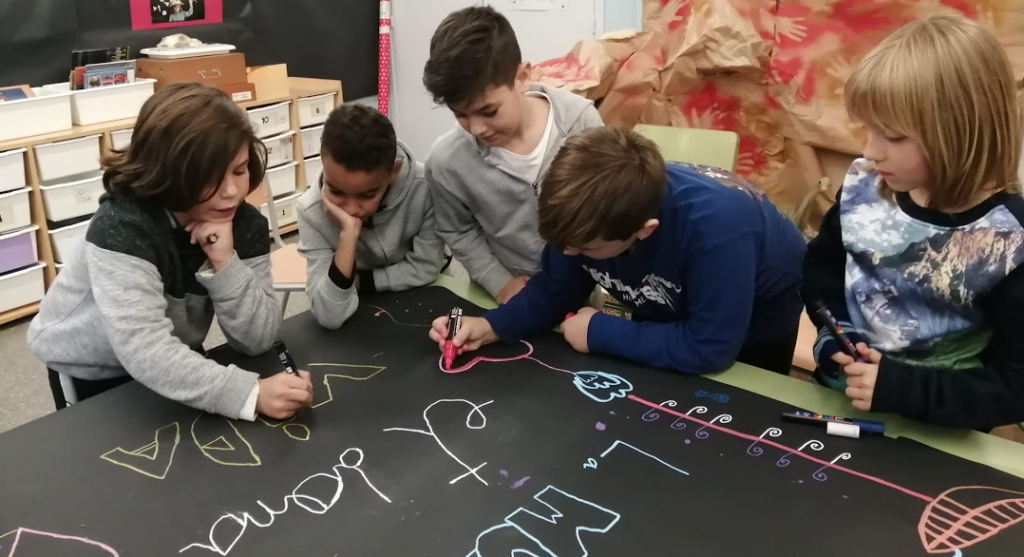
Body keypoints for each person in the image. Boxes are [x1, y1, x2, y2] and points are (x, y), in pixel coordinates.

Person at [27, 82, 313, 420]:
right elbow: (143, 347)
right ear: (170, 172)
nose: (232, 191)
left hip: (173, 352)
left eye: (239, 170)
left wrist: (225, 261)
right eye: (209, 178)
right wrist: (250, 393)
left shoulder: (242, 223)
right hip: (94, 368)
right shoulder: (123, 226)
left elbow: (258, 339)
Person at [429, 126, 806, 376]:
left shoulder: (720, 229)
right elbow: (557, 288)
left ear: (643, 230)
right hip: (668, 298)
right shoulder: (587, 219)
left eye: (585, 247)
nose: (569, 253)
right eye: (564, 244)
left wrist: (600, 331)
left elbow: (711, 347)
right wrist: (492, 326)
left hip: (757, 320)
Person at [802, 15, 1024, 431]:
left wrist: (902, 388)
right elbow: (821, 269)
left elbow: (1013, 388)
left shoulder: (1010, 240)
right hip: (836, 401)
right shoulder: (864, 187)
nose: (871, 150)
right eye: (868, 129)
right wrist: (835, 332)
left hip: (935, 432)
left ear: (960, 133)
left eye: (893, 136)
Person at [423, 5, 603, 305]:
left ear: (522, 77)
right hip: (504, 296)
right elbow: (457, 229)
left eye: (488, 110)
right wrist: (498, 282)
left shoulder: (581, 123)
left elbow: (607, 206)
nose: (477, 128)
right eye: (461, 115)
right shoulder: (447, 161)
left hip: (583, 289)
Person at [296, 104, 447, 329]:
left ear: (393, 172)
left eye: (367, 195)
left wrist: (358, 282)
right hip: (357, 310)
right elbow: (329, 315)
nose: (350, 209)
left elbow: (426, 268)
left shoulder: (426, 187)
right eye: (336, 191)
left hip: (427, 295)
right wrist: (347, 237)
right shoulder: (310, 210)